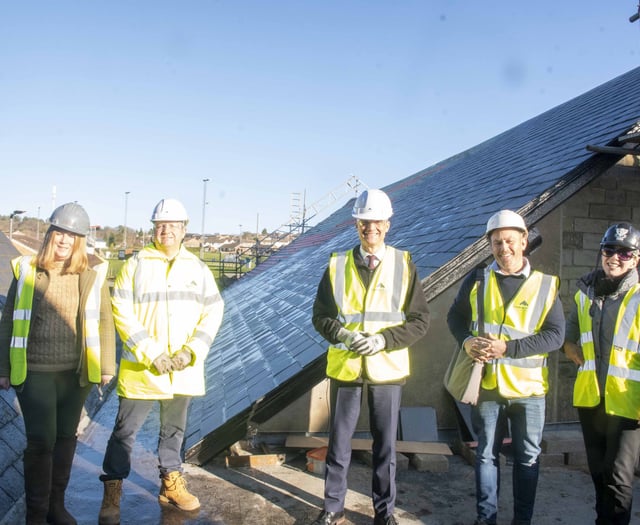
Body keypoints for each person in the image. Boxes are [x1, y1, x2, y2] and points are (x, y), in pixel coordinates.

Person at [98, 198, 224, 525]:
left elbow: (213, 311)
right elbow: (122, 312)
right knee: (124, 433)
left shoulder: (197, 269)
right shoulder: (136, 265)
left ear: (184, 230)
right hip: (143, 371)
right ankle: (112, 491)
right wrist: (152, 352)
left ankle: (171, 484)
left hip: (183, 370)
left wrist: (190, 351)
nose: (166, 230)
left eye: (172, 225)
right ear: (153, 228)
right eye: (160, 225)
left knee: (174, 431)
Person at [310, 189, 430, 525]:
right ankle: (333, 508)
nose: (370, 228)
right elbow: (320, 316)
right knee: (339, 445)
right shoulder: (336, 265)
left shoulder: (404, 265)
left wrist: (383, 340)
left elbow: (420, 321)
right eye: (364, 222)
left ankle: (384, 513)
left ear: (387, 224)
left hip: (387, 369)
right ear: (357, 225)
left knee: (385, 448)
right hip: (346, 367)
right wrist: (343, 335)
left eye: (376, 221)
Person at [0, 202, 116, 525]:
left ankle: (56, 506)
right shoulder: (27, 271)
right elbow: (8, 319)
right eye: (60, 233)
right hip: (35, 372)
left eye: (72, 236)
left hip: (75, 374)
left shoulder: (91, 276)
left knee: (66, 436)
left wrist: (107, 365)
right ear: (50, 235)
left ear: (80, 241)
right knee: (41, 440)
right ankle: (36, 514)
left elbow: (104, 320)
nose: (65, 240)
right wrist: (3, 368)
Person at [447, 209, 565, 525]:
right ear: (490, 245)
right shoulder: (477, 279)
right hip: (487, 386)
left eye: (510, 241)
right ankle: (486, 519)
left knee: (528, 458)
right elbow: (455, 318)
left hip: (528, 391)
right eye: (497, 242)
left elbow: (555, 335)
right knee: (486, 456)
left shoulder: (545, 285)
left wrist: (507, 349)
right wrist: (466, 342)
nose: (504, 249)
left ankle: (521, 522)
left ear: (524, 241)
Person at [564, 222, 640, 525]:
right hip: (592, 400)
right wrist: (573, 353)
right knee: (597, 474)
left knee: (619, 479)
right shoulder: (586, 293)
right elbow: (568, 337)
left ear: (636, 258)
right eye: (610, 250)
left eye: (625, 252)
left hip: (629, 404)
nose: (616, 257)